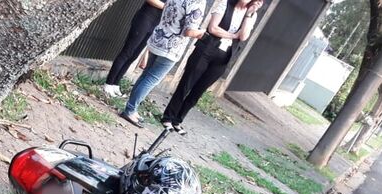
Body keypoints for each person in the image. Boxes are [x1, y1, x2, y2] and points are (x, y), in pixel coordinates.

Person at [162, 0, 262, 134]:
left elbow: (243, 36)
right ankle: (168, 117)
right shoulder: (225, 4)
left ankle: (178, 120)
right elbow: (213, 28)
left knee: (198, 91)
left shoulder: (251, 14)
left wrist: (249, 15)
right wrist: (233, 36)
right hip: (206, 50)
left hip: (224, 57)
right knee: (186, 84)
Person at [119, 0, 207, 128]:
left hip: (158, 38)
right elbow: (189, 31)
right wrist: (201, 32)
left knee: (146, 76)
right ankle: (130, 110)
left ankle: (131, 108)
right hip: (171, 47)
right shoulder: (198, 2)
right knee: (151, 79)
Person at [103, 0, 167, 98]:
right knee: (127, 52)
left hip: (155, 24)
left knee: (134, 56)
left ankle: (115, 84)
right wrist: (166, 6)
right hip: (145, 18)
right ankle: (108, 84)